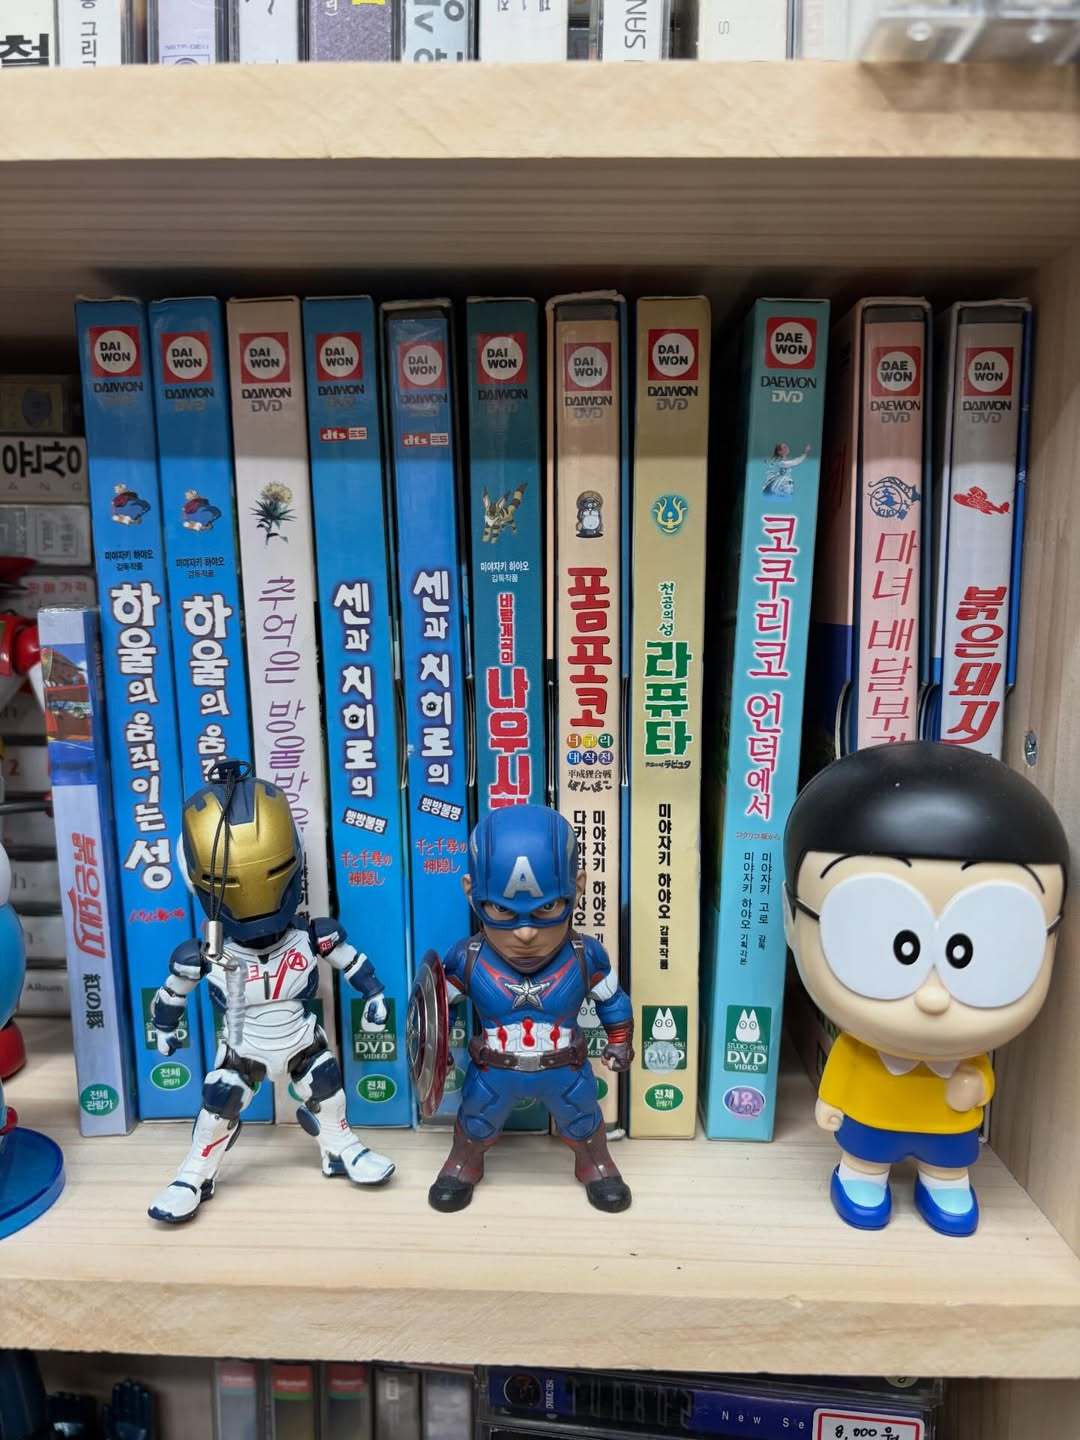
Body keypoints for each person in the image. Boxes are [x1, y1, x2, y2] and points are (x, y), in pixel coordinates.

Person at [784, 741, 1068, 1236]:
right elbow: (843, 1071)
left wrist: (975, 1085)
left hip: (947, 1129)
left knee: (948, 1161)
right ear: (793, 922)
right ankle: (862, 1176)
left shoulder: (966, 1056)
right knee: (866, 1154)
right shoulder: (863, 1048)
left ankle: (945, 1182)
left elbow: (981, 1080)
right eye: (892, 945)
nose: (932, 998)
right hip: (870, 1121)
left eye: (975, 949)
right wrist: (830, 1103)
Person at [147, 761, 394, 1224]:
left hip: (301, 1040)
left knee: (328, 1088)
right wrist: (163, 1028)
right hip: (242, 1047)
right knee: (218, 1105)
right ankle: (194, 1173)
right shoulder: (204, 954)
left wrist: (375, 995)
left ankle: (340, 1145)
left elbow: (354, 964)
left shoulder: (313, 936)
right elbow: (172, 994)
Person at [428, 805, 633, 1214]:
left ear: (577, 887)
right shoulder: (467, 959)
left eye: (546, 910)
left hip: (565, 1071)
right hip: (493, 1073)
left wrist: (620, 1041)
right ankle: (463, 1164)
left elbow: (612, 1001)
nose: (524, 933)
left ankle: (596, 1164)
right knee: (475, 1121)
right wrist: (436, 1054)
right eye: (502, 911)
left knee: (583, 1120)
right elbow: (434, 1014)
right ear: (471, 893)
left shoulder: (585, 955)